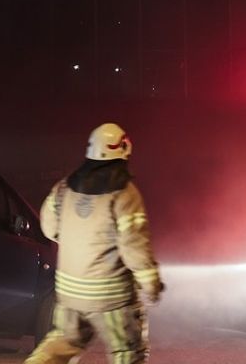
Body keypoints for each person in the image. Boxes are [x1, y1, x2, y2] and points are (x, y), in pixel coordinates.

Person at [25, 122, 163, 364]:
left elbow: (48, 228)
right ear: (122, 149)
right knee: (128, 351)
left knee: (63, 342)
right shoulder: (125, 193)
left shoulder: (64, 187)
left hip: (69, 292)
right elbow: (134, 247)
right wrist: (150, 282)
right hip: (111, 296)